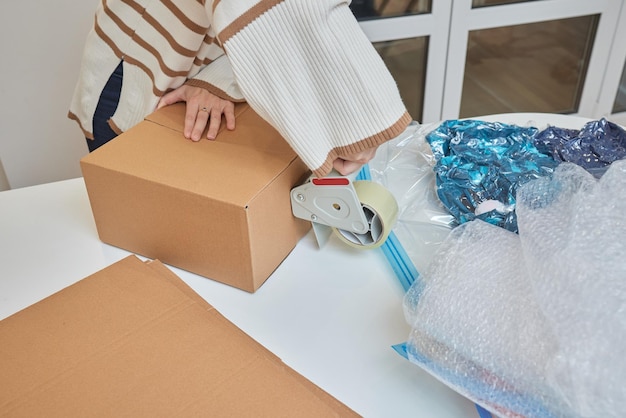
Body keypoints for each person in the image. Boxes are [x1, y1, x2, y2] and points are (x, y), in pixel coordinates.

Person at [68, 0, 411, 178]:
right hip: (146, 67)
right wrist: (358, 117)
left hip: (215, 61)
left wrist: (222, 77)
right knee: (142, 245)